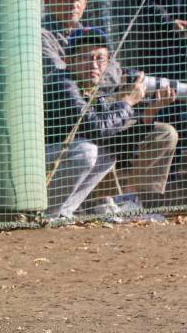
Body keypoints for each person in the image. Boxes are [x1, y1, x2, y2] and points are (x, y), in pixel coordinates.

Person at [43, 27, 177, 220]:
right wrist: (127, 102)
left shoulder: (92, 90)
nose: (94, 65)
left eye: (100, 58)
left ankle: (64, 212)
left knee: (106, 153)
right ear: (69, 61)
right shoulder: (62, 83)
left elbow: (115, 143)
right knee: (86, 151)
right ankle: (48, 214)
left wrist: (149, 113)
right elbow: (97, 128)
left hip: (59, 160)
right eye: (85, 57)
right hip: (38, 165)